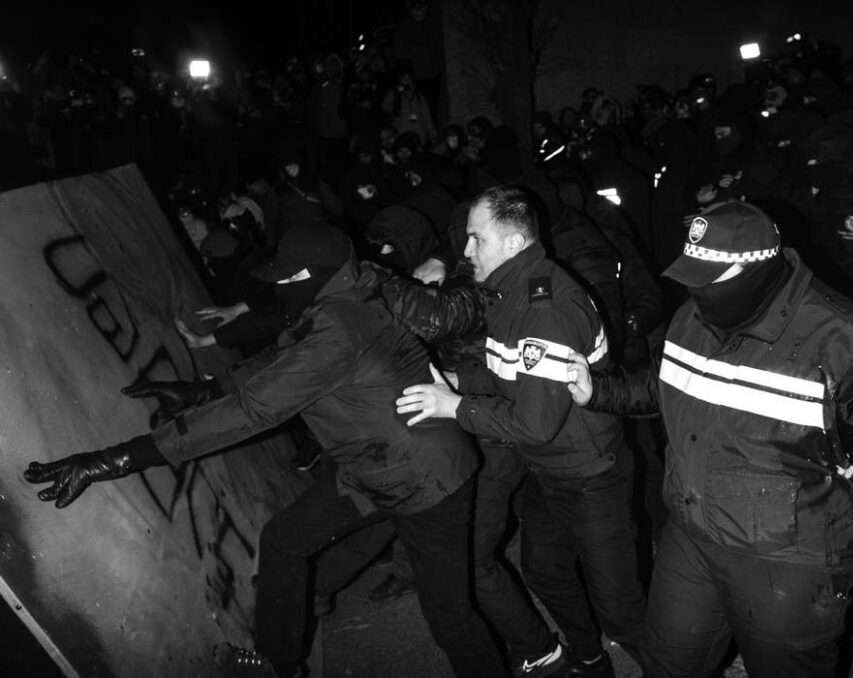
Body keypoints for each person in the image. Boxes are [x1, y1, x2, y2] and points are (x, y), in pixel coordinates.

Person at [23, 220, 506, 678]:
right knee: (284, 540)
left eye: (289, 277)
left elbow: (254, 411)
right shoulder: (345, 297)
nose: (279, 287)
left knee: (451, 616)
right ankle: (279, 663)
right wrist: (205, 391)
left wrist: (116, 459)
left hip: (428, 482)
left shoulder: (341, 327)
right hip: (377, 466)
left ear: (317, 276)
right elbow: (284, 359)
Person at [563, 200, 853, 678]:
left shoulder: (844, 341)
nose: (700, 290)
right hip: (692, 534)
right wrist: (601, 390)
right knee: (667, 664)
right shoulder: (693, 315)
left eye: (713, 276)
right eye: (694, 276)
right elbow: (665, 380)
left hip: (789, 563)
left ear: (759, 269)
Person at [394, 185, 646, 677]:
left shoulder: (543, 308)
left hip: (590, 475)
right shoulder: (511, 292)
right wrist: (460, 380)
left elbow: (535, 422)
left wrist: (456, 406)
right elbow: (511, 374)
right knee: (547, 572)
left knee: (623, 611)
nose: (465, 252)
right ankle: (591, 661)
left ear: (512, 243)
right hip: (551, 473)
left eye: (475, 239)